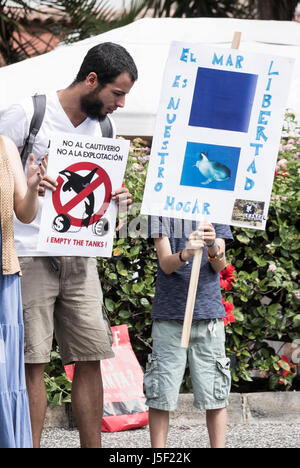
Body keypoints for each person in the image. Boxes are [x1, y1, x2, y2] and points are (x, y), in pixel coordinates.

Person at [0, 42, 138, 448]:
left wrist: (119, 201)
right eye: (117, 93)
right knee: (32, 362)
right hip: (28, 255)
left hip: (81, 256)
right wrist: (25, 187)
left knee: (91, 356)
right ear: (91, 80)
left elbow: (102, 193)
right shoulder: (29, 113)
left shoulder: (105, 129)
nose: (122, 103)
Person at [145, 217, 233, 448]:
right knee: (160, 395)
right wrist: (186, 253)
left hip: (208, 319)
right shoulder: (160, 211)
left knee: (215, 396)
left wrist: (212, 244)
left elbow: (219, 265)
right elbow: (165, 263)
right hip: (169, 318)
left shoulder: (216, 210)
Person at [0, 135, 47, 448]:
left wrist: (31, 189)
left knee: (5, 378)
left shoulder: (4, 146)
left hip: (4, 274)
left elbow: (25, 213)